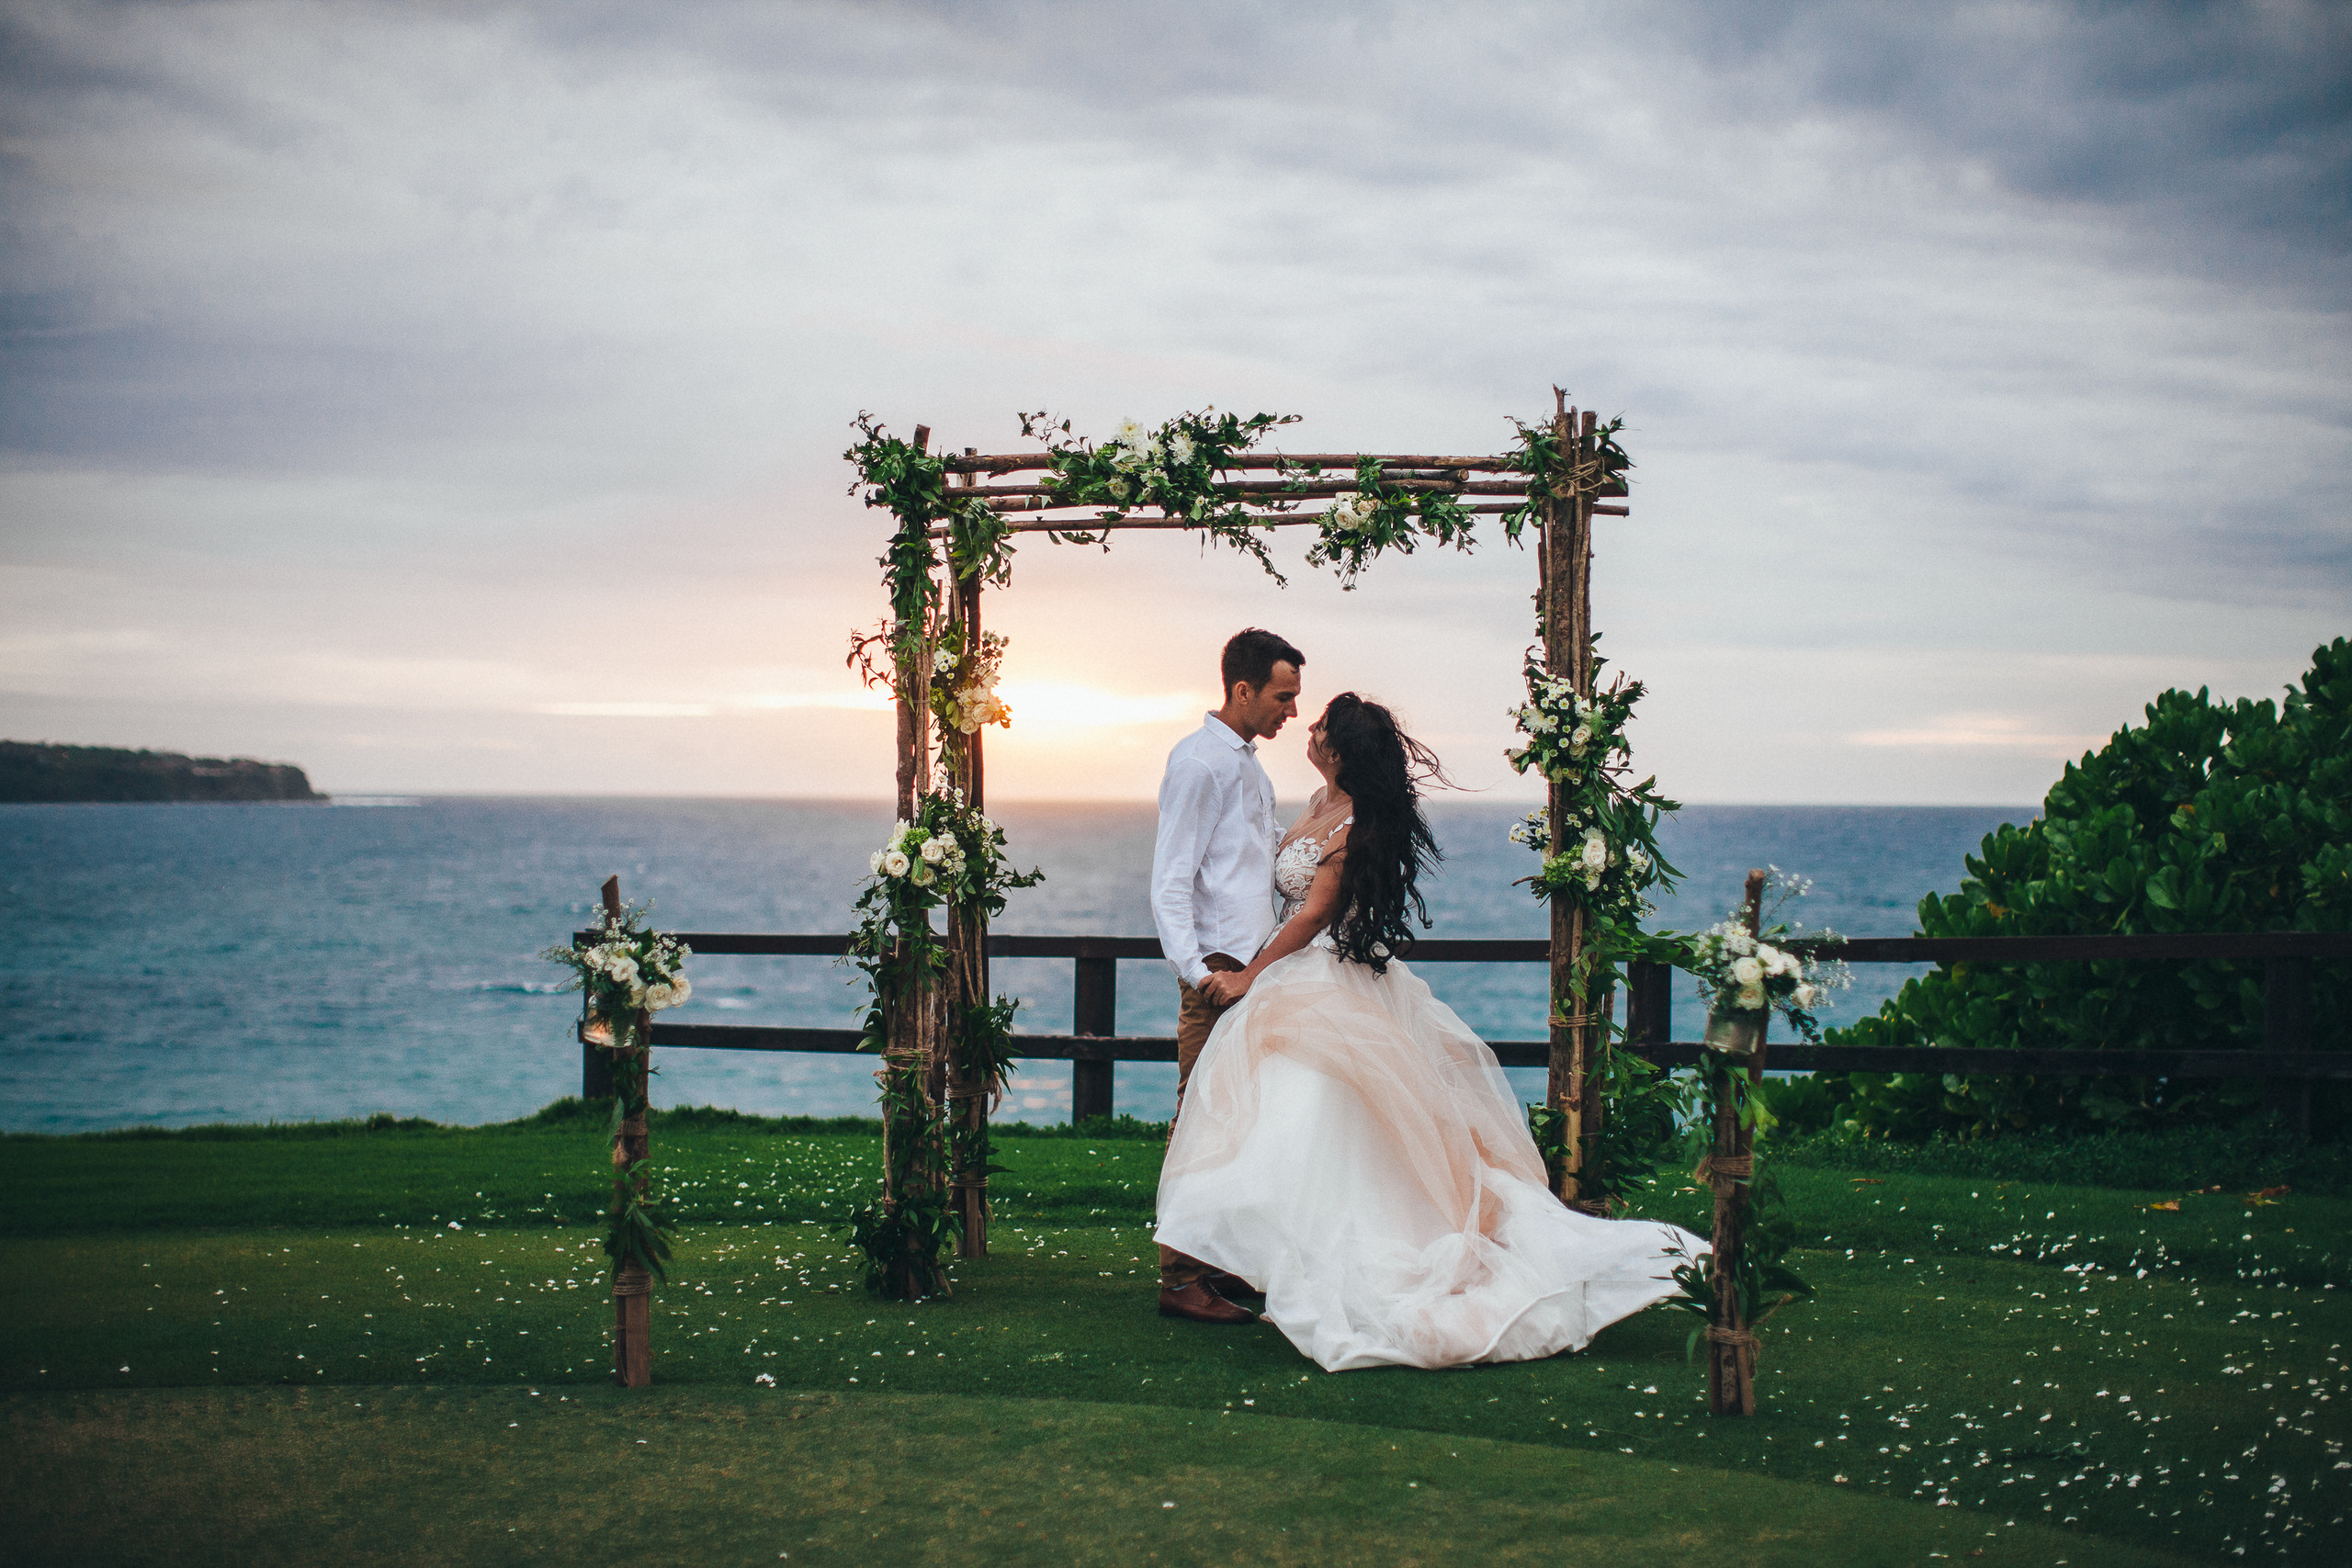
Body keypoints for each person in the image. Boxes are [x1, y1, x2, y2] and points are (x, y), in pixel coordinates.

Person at [1154, 692, 1706, 1370]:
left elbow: (1313, 915)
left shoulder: (1354, 822)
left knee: (1319, 1118)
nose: (1309, 725)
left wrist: (1249, 975)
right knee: (1298, 1121)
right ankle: (1244, 1258)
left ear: (1340, 748)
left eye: (1320, 722)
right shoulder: (1317, 802)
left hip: (1319, 973)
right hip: (1293, 973)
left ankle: (1333, 1256)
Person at [1148, 627, 1302, 1325]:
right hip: (1217, 973)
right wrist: (1195, 967)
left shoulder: (1250, 768)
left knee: (1242, 1118)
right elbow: (1171, 880)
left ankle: (1214, 1262)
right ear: (1243, 690)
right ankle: (1179, 1278)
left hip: (1254, 973)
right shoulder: (1199, 764)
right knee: (1200, 1120)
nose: (1291, 711)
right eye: (1282, 696)